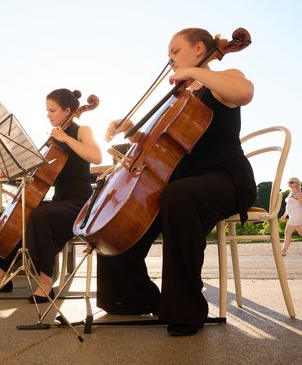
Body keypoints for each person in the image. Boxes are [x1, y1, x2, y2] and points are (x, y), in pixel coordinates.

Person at [102, 28, 257, 336]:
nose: (169, 59)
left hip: (225, 177)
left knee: (178, 196)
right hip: (182, 183)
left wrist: (194, 72)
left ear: (199, 47)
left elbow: (244, 93)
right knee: (121, 214)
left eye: (175, 51)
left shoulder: (223, 78)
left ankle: (187, 310)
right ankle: (137, 297)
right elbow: (161, 144)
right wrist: (132, 129)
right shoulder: (180, 95)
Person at [0, 88, 102, 303]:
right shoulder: (54, 139)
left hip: (80, 202)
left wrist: (66, 138)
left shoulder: (82, 131)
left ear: (67, 111)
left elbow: (96, 157)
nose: (48, 115)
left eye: (52, 110)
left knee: (41, 216)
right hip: (60, 200)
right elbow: (38, 173)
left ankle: (45, 283)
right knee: (21, 211)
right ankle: (1, 276)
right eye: (47, 110)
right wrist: (8, 172)